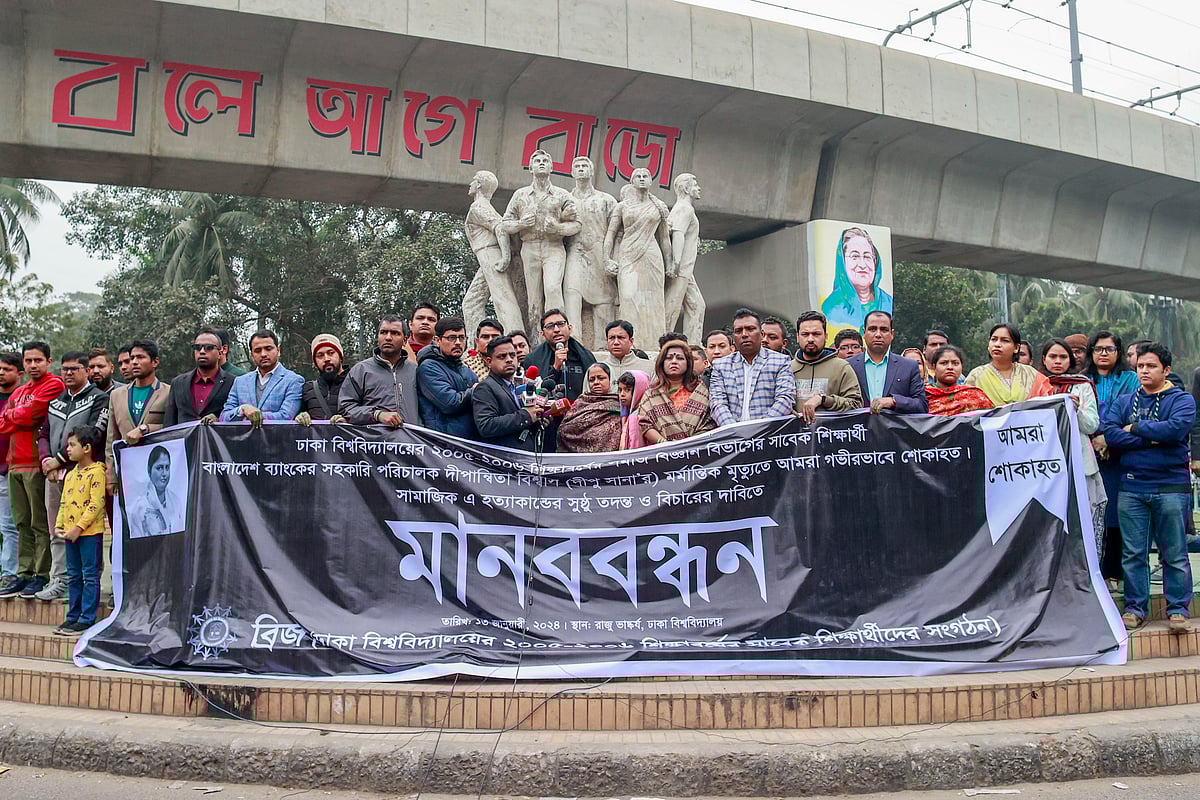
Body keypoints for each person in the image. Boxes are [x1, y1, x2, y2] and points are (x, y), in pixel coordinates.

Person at [1101, 342, 1195, 633]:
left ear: (1166, 369)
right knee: (1133, 552)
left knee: (1174, 552)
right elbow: (1111, 434)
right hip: (1131, 486)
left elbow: (1176, 430)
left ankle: (1178, 610)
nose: (1144, 370)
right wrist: (1154, 437)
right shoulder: (1125, 401)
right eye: (1140, 365)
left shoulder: (1182, 400)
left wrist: (1136, 429)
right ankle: (1135, 608)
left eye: (1151, 366)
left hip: (1170, 486)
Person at [37, 350, 110, 602]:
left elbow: (94, 434)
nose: (68, 373)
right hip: (54, 475)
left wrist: (60, 459)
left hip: (84, 474)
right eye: (64, 369)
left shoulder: (99, 399)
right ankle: (60, 579)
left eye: (74, 369)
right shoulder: (55, 401)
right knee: (56, 527)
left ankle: (87, 586)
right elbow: (43, 434)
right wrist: (47, 460)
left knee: (87, 529)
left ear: (86, 371)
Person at [0, 343, 65, 599]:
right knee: (20, 523)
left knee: (40, 523)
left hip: (36, 465)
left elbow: (32, 415)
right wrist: (18, 414)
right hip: (14, 464)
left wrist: (15, 415)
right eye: (28, 361)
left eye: (38, 360)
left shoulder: (53, 384)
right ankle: (23, 573)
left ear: (48, 361)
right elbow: (4, 424)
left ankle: (42, 574)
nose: (33, 365)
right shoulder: (20, 391)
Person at [1031, 338, 1106, 550]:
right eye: (1052, 356)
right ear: (1044, 359)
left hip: (1079, 462)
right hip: (1045, 464)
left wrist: (1077, 409)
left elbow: (1092, 425)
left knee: (1081, 521)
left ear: (1071, 360)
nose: (1057, 361)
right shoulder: (1036, 384)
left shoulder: (1082, 386)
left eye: (1063, 357)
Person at [1085, 330, 1141, 587]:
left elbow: (1129, 411)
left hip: (1120, 454)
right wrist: (1094, 439)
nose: (1103, 353)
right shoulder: (1083, 379)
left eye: (1109, 349)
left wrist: (1107, 437)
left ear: (1118, 352)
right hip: (1088, 452)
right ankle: (1095, 571)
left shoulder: (1130, 379)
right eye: (1098, 349)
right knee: (1094, 513)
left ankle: (1116, 572)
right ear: (1091, 352)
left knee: (1118, 514)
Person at [500, 149, 581, 326]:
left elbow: (576, 224)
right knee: (534, 297)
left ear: (551, 167)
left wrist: (558, 228)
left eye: (545, 161)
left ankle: (559, 333)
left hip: (553, 246)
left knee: (552, 289)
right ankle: (537, 340)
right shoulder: (520, 195)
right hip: (529, 247)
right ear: (530, 168)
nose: (542, 163)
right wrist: (521, 224)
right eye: (537, 161)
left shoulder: (562, 194)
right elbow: (505, 224)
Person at [604, 167, 673, 350]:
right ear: (632, 181)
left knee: (653, 301)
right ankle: (630, 345)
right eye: (638, 177)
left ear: (651, 181)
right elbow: (610, 235)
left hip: (651, 254)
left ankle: (654, 345)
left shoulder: (659, 206)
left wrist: (670, 264)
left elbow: (664, 238)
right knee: (628, 297)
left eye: (645, 176)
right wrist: (606, 259)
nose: (642, 179)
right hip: (628, 254)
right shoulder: (623, 206)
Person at [50, 425, 107, 637]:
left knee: (89, 575)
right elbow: (64, 502)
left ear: (87, 448)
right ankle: (72, 616)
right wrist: (59, 524)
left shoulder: (97, 472)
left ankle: (87, 618)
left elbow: (96, 503)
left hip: (89, 534)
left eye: (73, 445)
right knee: (73, 575)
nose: (68, 449)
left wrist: (78, 527)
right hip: (70, 534)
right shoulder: (71, 474)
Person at [564, 157, 619, 350]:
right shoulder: (564, 198)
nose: (580, 169)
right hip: (575, 252)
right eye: (577, 166)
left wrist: (613, 259)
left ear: (592, 171)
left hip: (600, 254)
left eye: (585, 166)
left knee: (604, 301)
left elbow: (618, 232)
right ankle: (574, 344)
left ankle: (603, 346)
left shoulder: (606, 200)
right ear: (571, 172)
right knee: (571, 294)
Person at [105, 340, 170, 497]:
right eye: (132, 358)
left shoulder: (168, 392)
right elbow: (111, 438)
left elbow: (174, 427)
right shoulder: (116, 395)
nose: (134, 362)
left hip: (158, 473)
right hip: (127, 471)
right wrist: (111, 477)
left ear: (155, 362)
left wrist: (146, 428)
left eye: (140, 357)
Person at [709, 308, 796, 426]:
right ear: (733, 338)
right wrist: (734, 431)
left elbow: (785, 400)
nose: (744, 334)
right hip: (732, 438)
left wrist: (758, 430)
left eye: (750, 329)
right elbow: (717, 403)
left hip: (768, 435)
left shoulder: (780, 361)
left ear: (761, 334)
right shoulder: (720, 366)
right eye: (738, 331)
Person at [462, 170, 523, 336]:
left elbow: (500, 228)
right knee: (471, 302)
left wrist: (505, 257)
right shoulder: (482, 206)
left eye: (474, 180)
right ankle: (474, 345)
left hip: (491, 254)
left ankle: (515, 338)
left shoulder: (478, 207)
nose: (470, 184)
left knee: (503, 299)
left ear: (480, 185)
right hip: (486, 256)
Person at [339, 315, 421, 427]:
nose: (388, 337)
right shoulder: (361, 370)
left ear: (404, 340)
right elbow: (346, 408)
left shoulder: (415, 371)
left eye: (395, 333)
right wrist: (376, 414)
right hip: (374, 441)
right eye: (383, 332)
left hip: (412, 441)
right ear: (378, 337)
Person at [472, 336, 548, 451]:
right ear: (489, 362)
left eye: (512, 355)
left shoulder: (519, 386)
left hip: (528, 456)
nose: (509, 359)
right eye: (502, 356)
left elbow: (523, 422)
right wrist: (526, 416)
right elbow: (486, 426)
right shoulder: (485, 388)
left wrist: (538, 419)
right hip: (504, 460)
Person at [639, 338, 716, 444]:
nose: (674, 361)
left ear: (688, 363)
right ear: (661, 362)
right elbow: (645, 423)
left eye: (680, 358)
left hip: (696, 449)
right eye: (669, 358)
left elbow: (709, 423)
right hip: (660, 453)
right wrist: (664, 443)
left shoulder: (701, 390)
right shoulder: (652, 393)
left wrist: (688, 445)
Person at [847, 311, 927, 414]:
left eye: (884, 330)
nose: (878, 334)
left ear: (892, 334)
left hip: (896, 429)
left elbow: (921, 405)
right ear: (864, 333)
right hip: (858, 428)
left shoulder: (908, 367)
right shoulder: (848, 366)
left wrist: (894, 401)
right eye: (872, 329)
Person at [820, 226, 892, 340]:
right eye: (855, 256)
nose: (862, 265)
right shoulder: (830, 308)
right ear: (842, 262)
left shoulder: (888, 302)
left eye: (867, 257)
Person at [790, 311, 863, 422]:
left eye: (816, 334)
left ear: (826, 336)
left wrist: (824, 399)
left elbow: (856, 404)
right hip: (796, 436)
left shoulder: (842, 367)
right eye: (805, 334)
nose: (810, 339)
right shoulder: (787, 369)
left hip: (831, 435)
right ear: (797, 337)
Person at [220, 330, 304, 425]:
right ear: (252, 355)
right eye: (257, 350)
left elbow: (286, 416)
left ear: (278, 350)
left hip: (278, 438)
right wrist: (242, 409)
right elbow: (224, 417)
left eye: (268, 349)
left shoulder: (293, 381)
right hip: (244, 439)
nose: (263, 354)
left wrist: (254, 416)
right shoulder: (240, 381)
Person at [417, 317, 479, 438]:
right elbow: (450, 403)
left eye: (461, 338)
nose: (457, 342)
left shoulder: (467, 370)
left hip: (470, 443)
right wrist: (476, 391)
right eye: (451, 338)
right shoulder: (428, 368)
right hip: (443, 443)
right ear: (437, 340)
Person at [164, 327, 235, 427]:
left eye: (209, 347)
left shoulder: (233, 382)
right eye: (197, 347)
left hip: (217, 441)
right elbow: (169, 422)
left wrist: (218, 419)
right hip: (183, 441)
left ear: (220, 353)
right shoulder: (178, 383)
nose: (202, 351)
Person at [964, 323, 1049, 406]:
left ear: (1016, 348)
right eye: (993, 339)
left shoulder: (1030, 374)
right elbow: (967, 411)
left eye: (1005, 340)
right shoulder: (976, 376)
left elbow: (1045, 406)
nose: (997, 344)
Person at [524, 309, 596, 402]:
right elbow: (534, 392)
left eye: (561, 324)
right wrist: (555, 368)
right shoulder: (533, 359)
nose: (557, 330)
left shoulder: (586, 356)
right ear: (543, 334)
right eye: (550, 326)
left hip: (581, 412)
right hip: (548, 413)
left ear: (569, 328)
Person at [558, 363, 623, 453]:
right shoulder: (581, 402)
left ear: (611, 380)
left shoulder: (619, 404)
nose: (596, 382)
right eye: (592, 380)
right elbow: (564, 429)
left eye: (601, 378)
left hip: (610, 460)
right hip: (578, 461)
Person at [129, 444, 186, 538]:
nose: (164, 473)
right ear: (149, 470)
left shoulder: (176, 501)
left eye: (167, 467)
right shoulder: (139, 507)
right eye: (159, 468)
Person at [0, 354, 20, 595]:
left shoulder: (19, 398)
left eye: (7, 369)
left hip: (10, 469)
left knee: (9, 526)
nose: (2, 373)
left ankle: (10, 573)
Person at [925, 345, 993, 416]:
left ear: (961, 367)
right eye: (944, 363)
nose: (950, 367)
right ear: (934, 367)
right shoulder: (924, 396)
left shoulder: (975, 396)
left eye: (955, 363)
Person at [296, 334, 348, 425]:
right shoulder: (308, 388)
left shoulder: (356, 383)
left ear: (340, 356)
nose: (326, 359)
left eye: (331, 353)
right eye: (320, 355)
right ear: (315, 362)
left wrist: (349, 421)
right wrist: (301, 417)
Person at [616, 370, 651, 450]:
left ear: (639, 391)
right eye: (620, 390)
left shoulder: (635, 417)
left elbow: (635, 448)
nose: (622, 394)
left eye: (627, 390)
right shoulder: (639, 412)